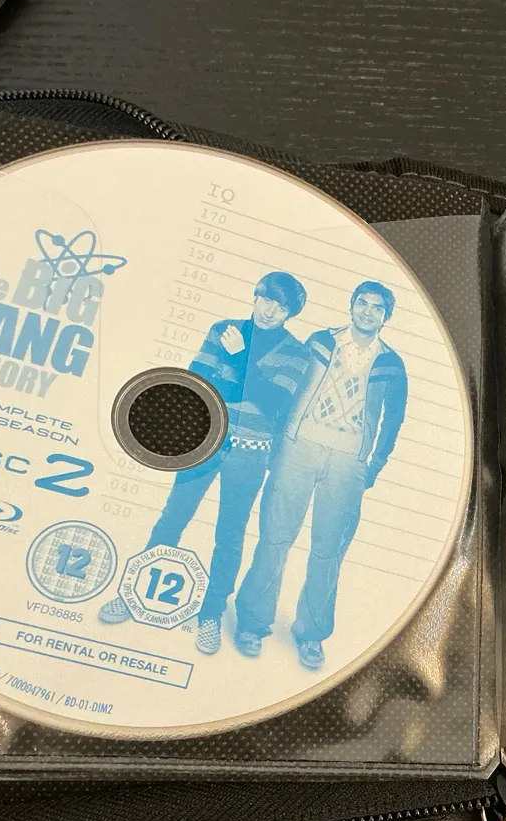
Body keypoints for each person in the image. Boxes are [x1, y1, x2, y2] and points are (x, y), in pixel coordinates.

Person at [99, 271, 311, 656]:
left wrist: (237, 360)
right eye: (266, 299)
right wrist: (244, 381)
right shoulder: (223, 330)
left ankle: (211, 614)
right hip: (205, 442)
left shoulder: (296, 354)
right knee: (172, 518)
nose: (269, 311)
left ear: (290, 313)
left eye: (281, 307)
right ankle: (133, 594)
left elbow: (274, 405)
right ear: (256, 295)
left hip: (251, 453)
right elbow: (198, 384)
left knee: (229, 534)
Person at [232, 280, 408, 669]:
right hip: (299, 448)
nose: (367, 311)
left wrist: (374, 465)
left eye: (377, 307)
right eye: (362, 303)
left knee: (329, 549)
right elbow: (290, 392)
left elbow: (393, 420)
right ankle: (252, 622)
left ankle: (311, 634)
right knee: (275, 537)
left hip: (348, 462)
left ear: (386, 317)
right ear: (351, 305)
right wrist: (278, 444)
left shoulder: (392, 364)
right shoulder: (320, 342)